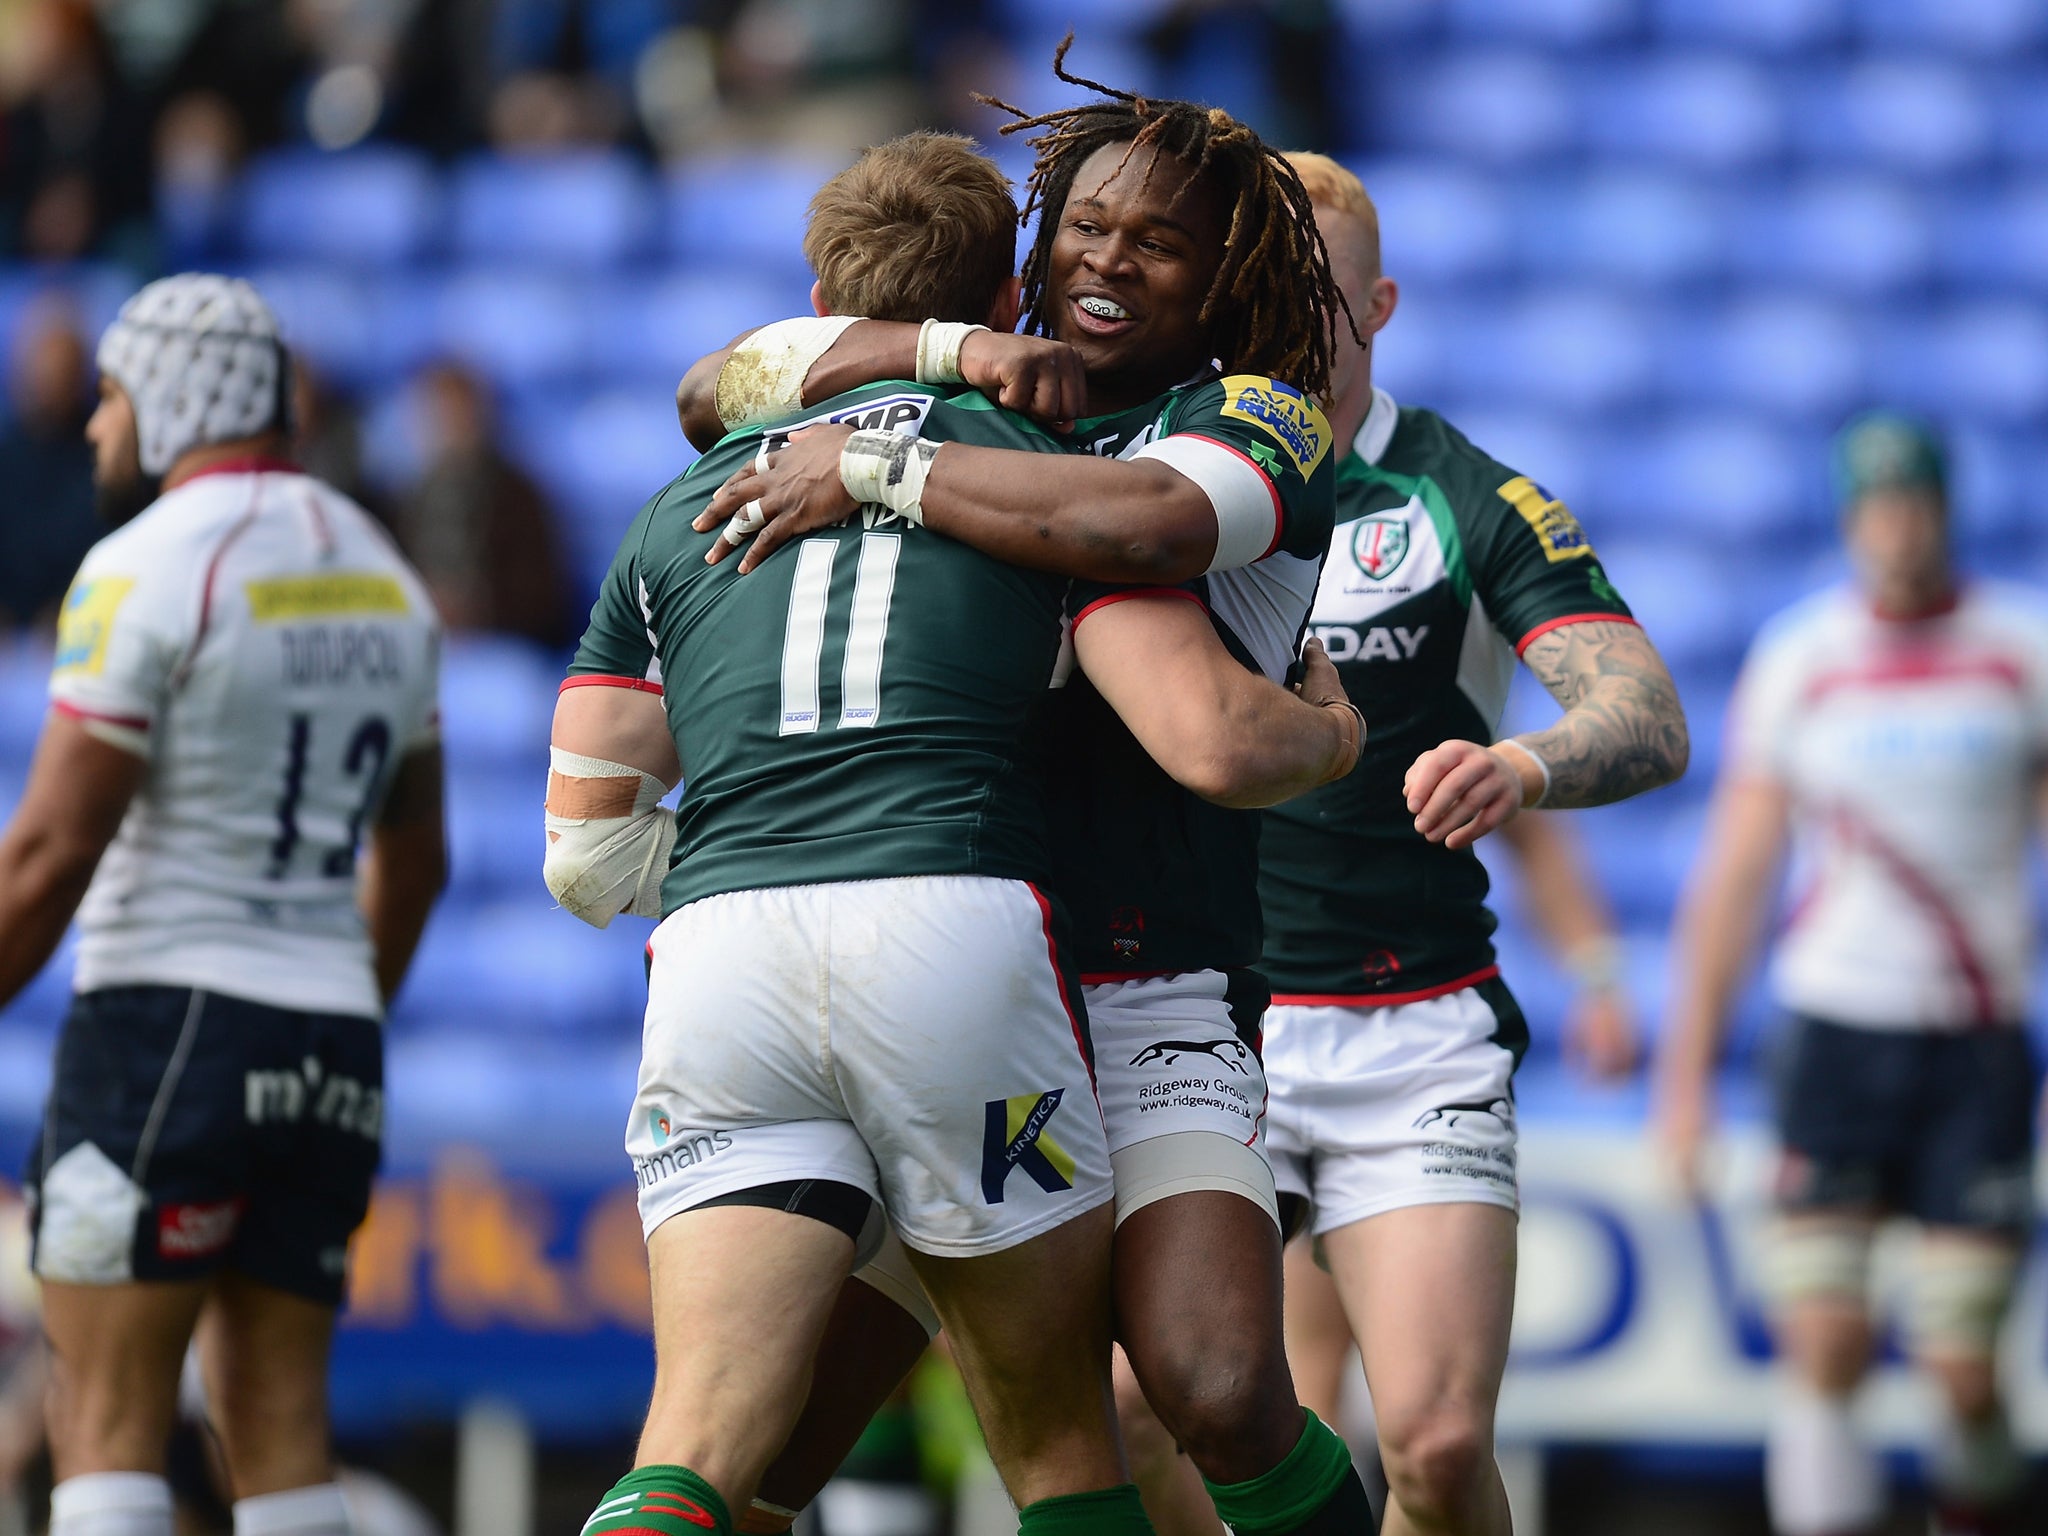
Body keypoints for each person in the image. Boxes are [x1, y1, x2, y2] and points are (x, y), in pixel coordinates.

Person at [547, 132, 1364, 1536]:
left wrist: (877, 472)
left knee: (1215, 1386)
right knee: (777, 1449)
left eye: (1154, 240)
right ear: (1028, 260)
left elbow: (1147, 529)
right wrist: (943, 357)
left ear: (1221, 274)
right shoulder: (987, 392)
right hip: (958, 971)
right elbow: (707, 387)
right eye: (1085, 226)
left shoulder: (1255, 416)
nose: (1107, 257)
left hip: (1144, 984)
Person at [1229, 153, 1683, 1536]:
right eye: (1268, 290)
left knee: (1426, 1443)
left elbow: (1647, 714)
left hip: (1409, 1023)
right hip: (1206, 1024)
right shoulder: (1163, 484)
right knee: (1226, 1429)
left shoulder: (1461, 494)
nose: (1300, 322)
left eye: (1328, 296)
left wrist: (1525, 763)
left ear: (1383, 303)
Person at [0, 275, 447, 1536]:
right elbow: (417, 861)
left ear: (169, 399)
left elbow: (47, 853)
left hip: (162, 1022)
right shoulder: (382, 571)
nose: (97, 428)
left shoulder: (143, 565)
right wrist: (340, 1016)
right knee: (280, 1430)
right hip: (329, 1044)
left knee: (103, 1419)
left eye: (111, 396)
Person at [1656, 414, 2045, 1536]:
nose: (1896, 526)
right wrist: (1682, 1077)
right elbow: (1734, 874)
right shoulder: (1801, 657)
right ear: (1846, 516)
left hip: (1974, 1041)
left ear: (1943, 510)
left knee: (1960, 1368)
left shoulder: (2019, 653)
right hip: (1833, 1029)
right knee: (1823, 1344)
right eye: (1875, 505)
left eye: (1912, 502)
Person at [386, 362, 573, 648]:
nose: (446, 426)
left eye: (456, 412)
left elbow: (545, 597)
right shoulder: (409, 496)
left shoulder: (520, 496)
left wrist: (476, 610)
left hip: (496, 646)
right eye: (436, 415)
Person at [0, 305, 101, 629]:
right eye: (41, 369)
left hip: (79, 620)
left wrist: (68, 603)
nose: (49, 382)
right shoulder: (8, 455)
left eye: (63, 369)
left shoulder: (101, 454)